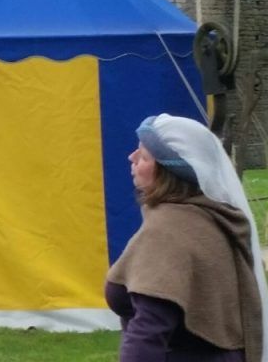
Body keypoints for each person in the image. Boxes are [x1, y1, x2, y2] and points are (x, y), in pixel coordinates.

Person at [106, 114, 268, 361]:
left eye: (144, 156)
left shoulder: (168, 231)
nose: (132, 158)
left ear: (167, 170)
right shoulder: (212, 218)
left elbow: (148, 331)